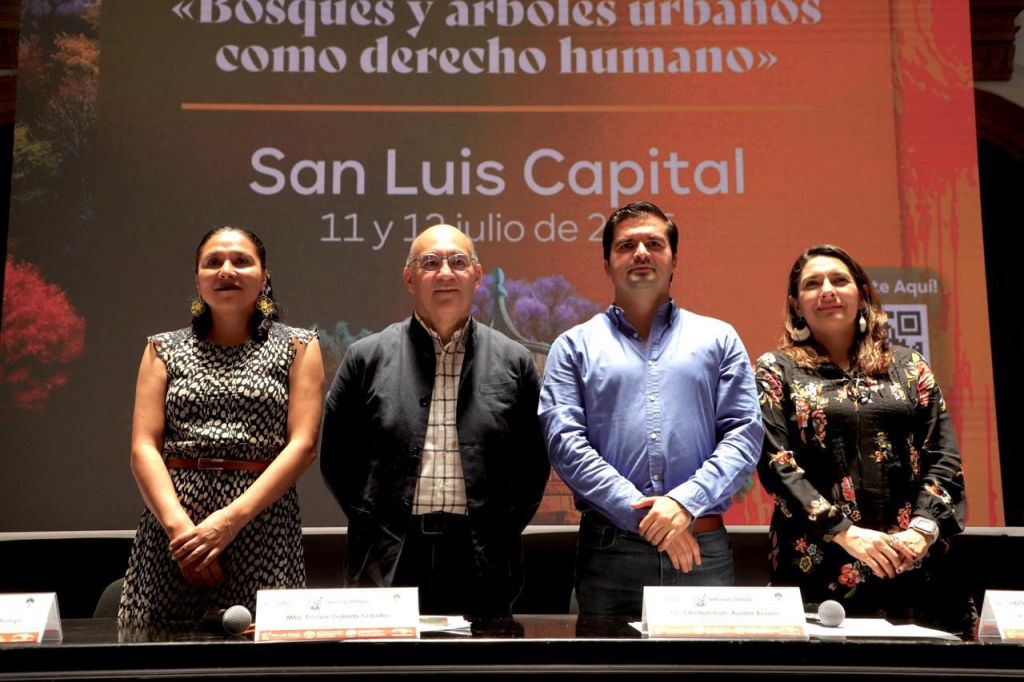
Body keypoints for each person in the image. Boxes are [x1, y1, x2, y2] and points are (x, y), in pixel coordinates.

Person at [538, 201, 764, 617]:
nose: (641, 253)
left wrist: (683, 505)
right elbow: (565, 444)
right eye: (626, 245)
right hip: (610, 555)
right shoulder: (572, 346)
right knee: (608, 677)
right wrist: (646, 517)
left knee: (704, 679)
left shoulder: (720, 338)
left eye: (654, 243)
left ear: (674, 259)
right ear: (607, 264)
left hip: (702, 548)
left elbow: (744, 435)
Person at [319, 224, 550, 621]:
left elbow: (534, 463)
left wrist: (500, 528)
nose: (445, 273)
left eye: (458, 262)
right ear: (410, 278)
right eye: (430, 263)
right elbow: (336, 459)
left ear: (477, 276)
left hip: (482, 560)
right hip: (388, 558)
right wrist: (374, 521)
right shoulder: (365, 358)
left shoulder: (515, 361)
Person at [755, 244, 973, 634]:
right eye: (812, 284)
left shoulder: (910, 366)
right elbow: (776, 463)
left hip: (914, 561)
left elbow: (943, 455)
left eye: (839, 280)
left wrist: (921, 531)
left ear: (863, 295)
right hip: (819, 565)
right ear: (796, 304)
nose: (827, 290)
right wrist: (847, 533)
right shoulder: (776, 370)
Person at [117, 226, 324, 629]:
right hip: (175, 533)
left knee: (263, 661)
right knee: (156, 661)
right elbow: (144, 446)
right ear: (197, 280)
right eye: (213, 262)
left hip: (261, 525)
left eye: (241, 261)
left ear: (264, 276)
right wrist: (183, 535)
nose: (226, 270)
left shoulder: (300, 345)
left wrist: (228, 522)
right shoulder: (161, 348)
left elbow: (303, 445)